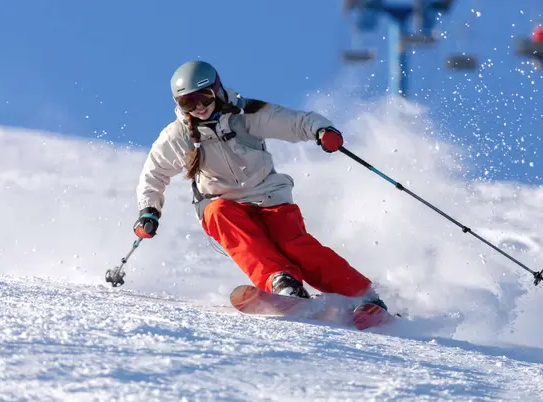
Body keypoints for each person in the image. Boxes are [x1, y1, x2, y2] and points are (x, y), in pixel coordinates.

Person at [132, 60, 387, 311]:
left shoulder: (246, 115)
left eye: (205, 98)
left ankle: (362, 295)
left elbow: (294, 121)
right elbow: (153, 175)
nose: (198, 107)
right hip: (224, 204)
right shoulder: (178, 137)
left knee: (294, 246)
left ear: (217, 90)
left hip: (269, 197)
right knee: (219, 213)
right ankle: (281, 283)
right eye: (188, 102)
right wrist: (149, 211)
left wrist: (321, 130)